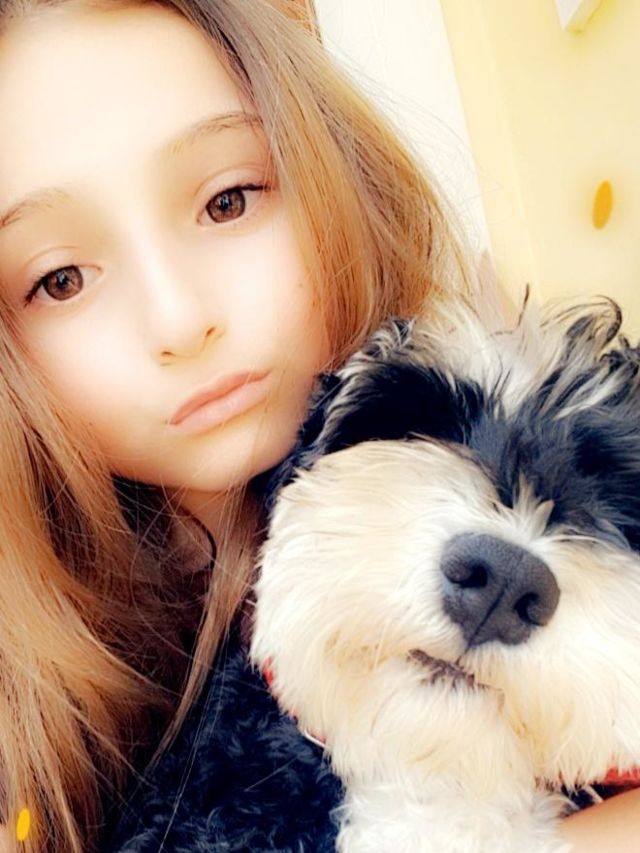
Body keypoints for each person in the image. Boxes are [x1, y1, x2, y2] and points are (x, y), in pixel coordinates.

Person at [0, 0, 636, 850]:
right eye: (62, 278)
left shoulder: (509, 432)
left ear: (335, 174)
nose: (179, 320)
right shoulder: (28, 712)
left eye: (228, 200)